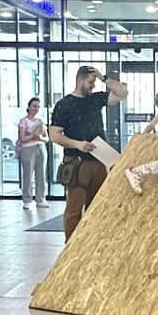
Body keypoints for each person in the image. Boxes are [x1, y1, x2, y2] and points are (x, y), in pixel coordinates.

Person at [48, 66, 127, 239]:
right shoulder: (64, 105)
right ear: (80, 79)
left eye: (94, 82)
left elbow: (122, 93)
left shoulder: (95, 99)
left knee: (96, 208)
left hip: (98, 160)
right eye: (90, 82)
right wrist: (77, 144)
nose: (93, 86)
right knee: (74, 209)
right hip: (77, 162)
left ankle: (90, 244)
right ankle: (71, 246)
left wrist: (103, 77)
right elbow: (54, 135)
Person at [14, 97, 49, 209]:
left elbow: (47, 138)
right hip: (28, 149)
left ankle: (41, 199)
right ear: (28, 107)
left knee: (41, 174)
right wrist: (33, 136)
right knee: (28, 175)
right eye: (34, 106)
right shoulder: (23, 121)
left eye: (38, 106)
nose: (36, 108)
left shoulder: (40, 122)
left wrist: (40, 138)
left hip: (40, 148)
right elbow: (23, 138)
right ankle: (27, 200)